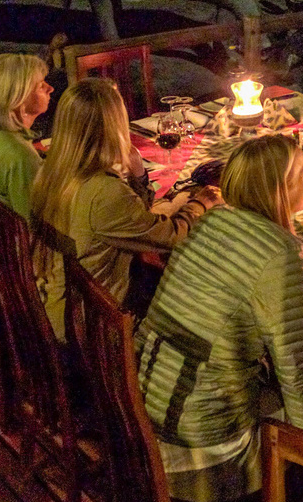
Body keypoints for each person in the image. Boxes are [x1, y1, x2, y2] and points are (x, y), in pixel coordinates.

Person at [136, 133, 303, 502]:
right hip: (201, 454)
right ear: (280, 188)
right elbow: (302, 376)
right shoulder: (284, 254)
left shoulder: (209, 221)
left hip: (144, 423)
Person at [29, 77, 218, 340]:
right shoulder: (103, 192)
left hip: (51, 305)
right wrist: (201, 203)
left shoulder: (50, 171)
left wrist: (138, 174)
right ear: (113, 124)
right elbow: (173, 237)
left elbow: (131, 221)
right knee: (203, 298)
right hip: (89, 330)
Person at [0, 53, 53, 220]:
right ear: (18, 99)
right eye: (40, 86)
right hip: (9, 244)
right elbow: (35, 228)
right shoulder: (21, 158)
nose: (50, 88)